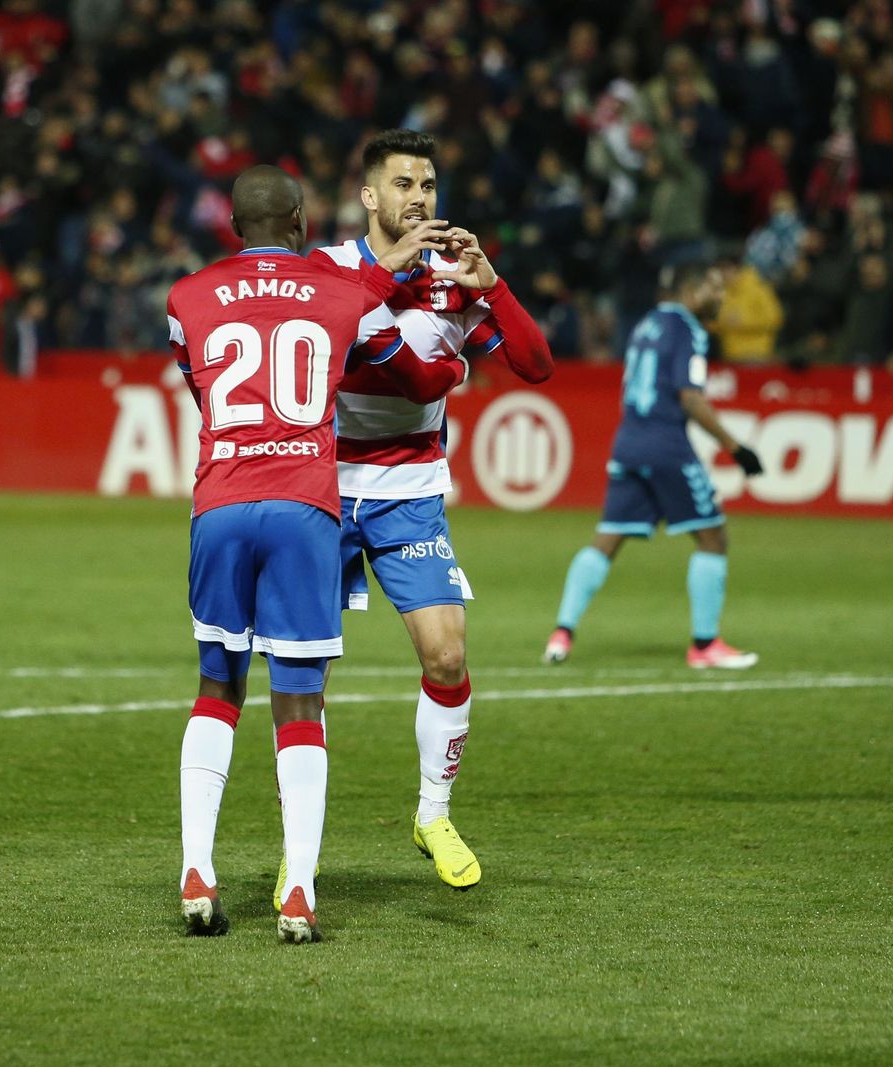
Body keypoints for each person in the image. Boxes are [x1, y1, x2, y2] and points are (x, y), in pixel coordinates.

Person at [168, 165, 474, 943]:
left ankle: (197, 869)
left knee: (217, 686)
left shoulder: (187, 295)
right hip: (307, 504)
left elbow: (199, 385)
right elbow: (414, 375)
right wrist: (456, 365)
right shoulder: (340, 295)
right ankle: (299, 891)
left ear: (234, 225)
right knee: (300, 698)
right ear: (302, 221)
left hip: (222, 500)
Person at [307, 129, 554, 891]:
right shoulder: (329, 269)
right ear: (369, 196)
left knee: (447, 656)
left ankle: (433, 814)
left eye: (429, 185)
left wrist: (493, 284)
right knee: (304, 669)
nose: (419, 197)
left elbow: (536, 365)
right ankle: (299, 843)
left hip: (410, 491)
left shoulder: (454, 279)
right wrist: (398, 288)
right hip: (321, 487)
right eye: (403, 183)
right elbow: (366, 359)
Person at [543, 262, 764, 669]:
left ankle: (562, 634)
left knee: (607, 539)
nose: (720, 296)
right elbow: (690, 397)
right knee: (713, 538)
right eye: (714, 288)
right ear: (691, 291)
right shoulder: (688, 329)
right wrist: (735, 447)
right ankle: (705, 646)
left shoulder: (648, 324)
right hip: (666, 445)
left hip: (629, 441)